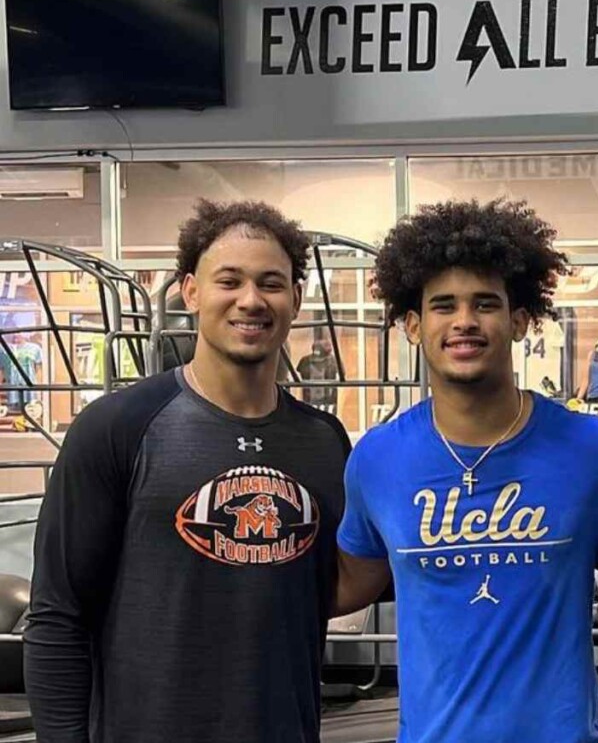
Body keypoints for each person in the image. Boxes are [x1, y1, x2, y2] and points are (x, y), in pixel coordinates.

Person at [334, 197, 598, 742]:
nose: (464, 322)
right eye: (444, 305)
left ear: (519, 321)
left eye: (485, 304)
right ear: (413, 325)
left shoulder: (589, 448)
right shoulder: (376, 460)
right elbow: (348, 581)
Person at [24, 199, 352, 743]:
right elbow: (58, 617)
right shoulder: (117, 427)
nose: (251, 300)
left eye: (271, 283)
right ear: (190, 291)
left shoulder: (323, 441)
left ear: (295, 299)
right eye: (230, 281)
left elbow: (344, 582)